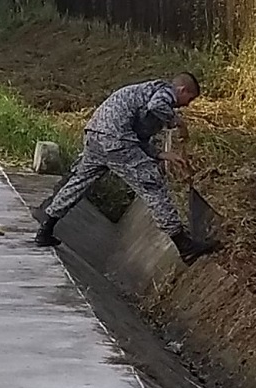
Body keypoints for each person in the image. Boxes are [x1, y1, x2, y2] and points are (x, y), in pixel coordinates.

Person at [34, 73, 216, 265]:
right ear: (182, 90)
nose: (188, 104)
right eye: (190, 98)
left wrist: (162, 155)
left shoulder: (147, 94)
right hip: (116, 140)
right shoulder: (165, 93)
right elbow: (156, 106)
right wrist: (179, 123)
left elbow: (139, 139)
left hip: (96, 136)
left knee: (78, 184)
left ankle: (45, 229)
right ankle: (185, 246)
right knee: (152, 185)